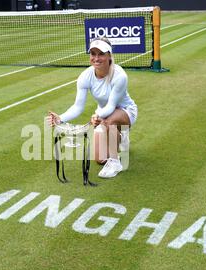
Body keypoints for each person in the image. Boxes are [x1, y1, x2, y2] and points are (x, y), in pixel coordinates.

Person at [46, 37, 138, 179]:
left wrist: (98, 115)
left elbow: (111, 106)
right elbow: (78, 107)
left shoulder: (120, 76)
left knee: (109, 121)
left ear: (109, 55)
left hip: (126, 111)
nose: (96, 58)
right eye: (93, 54)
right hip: (104, 114)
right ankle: (121, 137)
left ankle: (115, 163)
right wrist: (61, 118)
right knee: (100, 159)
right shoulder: (85, 76)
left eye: (101, 54)